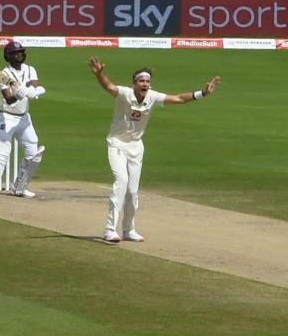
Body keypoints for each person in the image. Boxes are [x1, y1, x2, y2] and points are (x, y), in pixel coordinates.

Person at [87, 59, 220, 244]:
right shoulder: (125, 93)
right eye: (141, 81)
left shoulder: (152, 96)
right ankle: (110, 230)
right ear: (134, 83)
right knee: (121, 182)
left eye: (148, 82)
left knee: (133, 191)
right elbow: (108, 86)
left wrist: (202, 93)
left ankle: (128, 230)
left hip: (136, 146)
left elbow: (179, 99)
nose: (145, 84)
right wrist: (99, 74)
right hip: (117, 143)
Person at [0, 40, 47, 199]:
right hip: (6, 117)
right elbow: (8, 99)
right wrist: (18, 93)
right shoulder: (4, 74)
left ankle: (19, 187)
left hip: (24, 117)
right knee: (2, 149)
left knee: (33, 151)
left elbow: (35, 85)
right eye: (15, 53)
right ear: (8, 56)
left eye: (21, 52)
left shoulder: (30, 70)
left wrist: (34, 91)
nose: (19, 55)